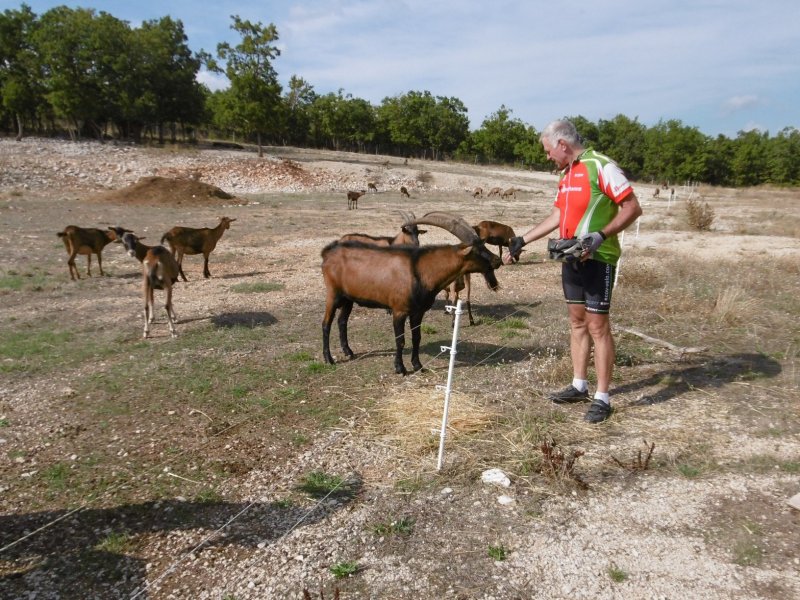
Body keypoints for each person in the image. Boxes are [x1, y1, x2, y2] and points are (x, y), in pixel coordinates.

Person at [505, 119, 642, 423]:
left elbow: (632, 207)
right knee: (577, 322)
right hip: (570, 257)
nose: (547, 156)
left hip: (599, 258)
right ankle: (579, 384)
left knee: (598, 327)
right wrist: (522, 240)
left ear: (562, 145)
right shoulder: (566, 176)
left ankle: (603, 398)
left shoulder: (601, 166)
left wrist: (600, 236)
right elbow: (557, 214)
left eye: (547, 150)